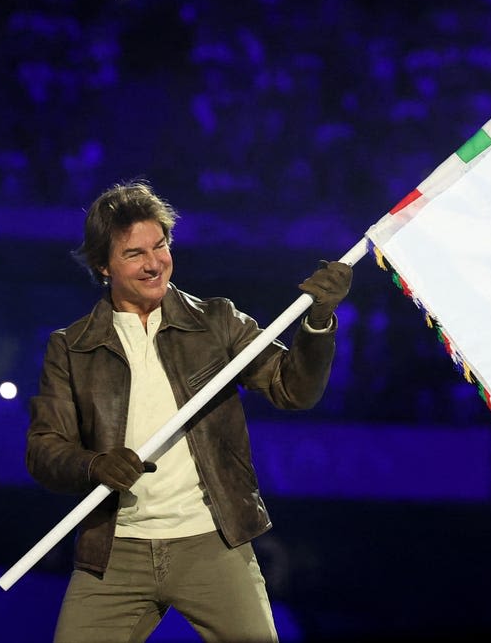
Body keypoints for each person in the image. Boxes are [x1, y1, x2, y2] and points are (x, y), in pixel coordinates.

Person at [26, 179, 353, 643]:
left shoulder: (217, 322)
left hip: (211, 541)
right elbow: (43, 451)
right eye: (134, 253)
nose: (154, 263)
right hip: (115, 550)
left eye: (160, 246)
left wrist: (318, 322)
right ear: (103, 266)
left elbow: (292, 390)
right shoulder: (71, 347)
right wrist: (93, 464)